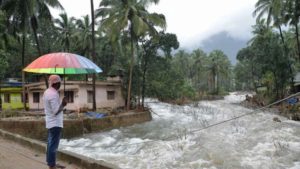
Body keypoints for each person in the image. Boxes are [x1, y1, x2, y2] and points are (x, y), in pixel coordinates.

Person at [43, 75, 67, 169]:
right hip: (55, 123)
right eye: (60, 82)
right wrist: (63, 105)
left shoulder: (47, 92)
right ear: (56, 83)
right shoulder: (53, 94)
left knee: (50, 144)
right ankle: (52, 165)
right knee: (53, 145)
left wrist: (61, 104)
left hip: (50, 122)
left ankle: (51, 163)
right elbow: (55, 111)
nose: (61, 84)